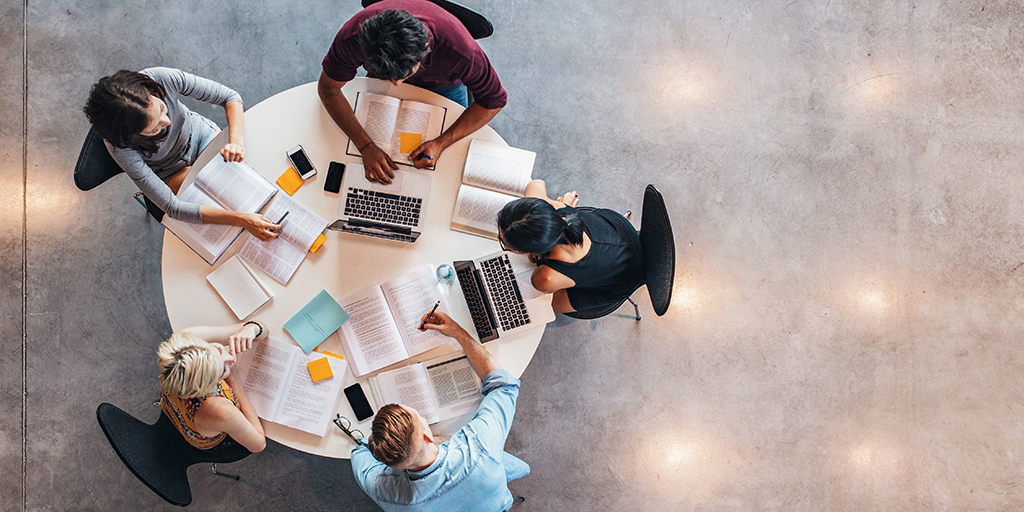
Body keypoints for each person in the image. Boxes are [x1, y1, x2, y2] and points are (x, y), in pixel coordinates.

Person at [351, 312, 529, 512]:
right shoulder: (479, 447)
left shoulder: (386, 493)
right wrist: (459, 333)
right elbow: (503, 386)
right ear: (428, 435)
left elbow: (359, 455)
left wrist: (371, 443)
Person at [319, 0, 507, 184]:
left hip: (444, 85)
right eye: (391, 77)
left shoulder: (461, 51)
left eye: (404, 75)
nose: (397, 85)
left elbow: (494, 100)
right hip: (384, 79)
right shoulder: (352, 37)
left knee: (449, 165)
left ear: (426, 48)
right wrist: (365, 146)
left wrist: (441, 143)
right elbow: (329, 89)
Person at [83, 67, 280, 241]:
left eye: (162, 108)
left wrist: (235, 142)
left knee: (252, 177)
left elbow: (230, 97)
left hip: (201, 137)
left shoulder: (160, 78)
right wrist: (241, 220)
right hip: (168, 170)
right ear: (131, 137)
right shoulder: (120, 147)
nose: (167, 122)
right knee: (220, 208)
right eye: (154, 129)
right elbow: (173, 207)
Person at [497, 179, 645, 314]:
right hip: (620, 232)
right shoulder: (555, 209)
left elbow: (543, 280)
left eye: (505, 245)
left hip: (623, 280)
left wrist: (539, 256)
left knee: (539, 308)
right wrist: (564, 207)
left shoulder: (544, 278)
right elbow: (536, 184)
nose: (498, 238)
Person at [157, 321, 268, 453]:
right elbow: (259, 444)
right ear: (209, 388)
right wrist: (233, 380)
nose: (231, 358)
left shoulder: (184, 341)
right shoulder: (221, 410)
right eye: (223, 371)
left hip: (172, 404)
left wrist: (252, 329)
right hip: (205, 434)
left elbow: (262, 329)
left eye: (218, 349)